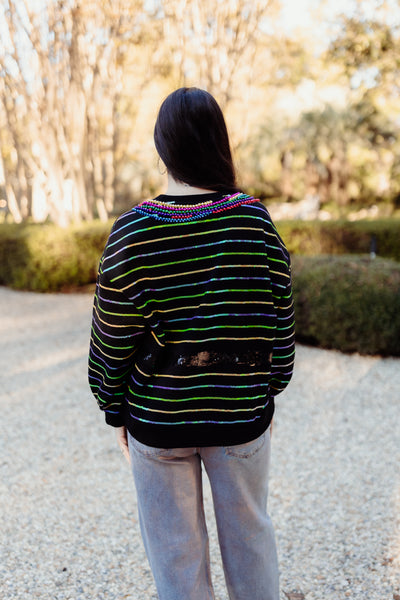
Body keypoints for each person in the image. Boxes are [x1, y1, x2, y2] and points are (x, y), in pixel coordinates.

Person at [88, 87, 295, 600]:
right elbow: (279, 320)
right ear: (219, 143)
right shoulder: (253, 221)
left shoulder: (131, 231)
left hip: (158, 419)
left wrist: (114, 408)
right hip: (240, 413)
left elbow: (111, 338)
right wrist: (269, 388)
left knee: (176, 560)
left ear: (164, 148)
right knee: (251, 541)